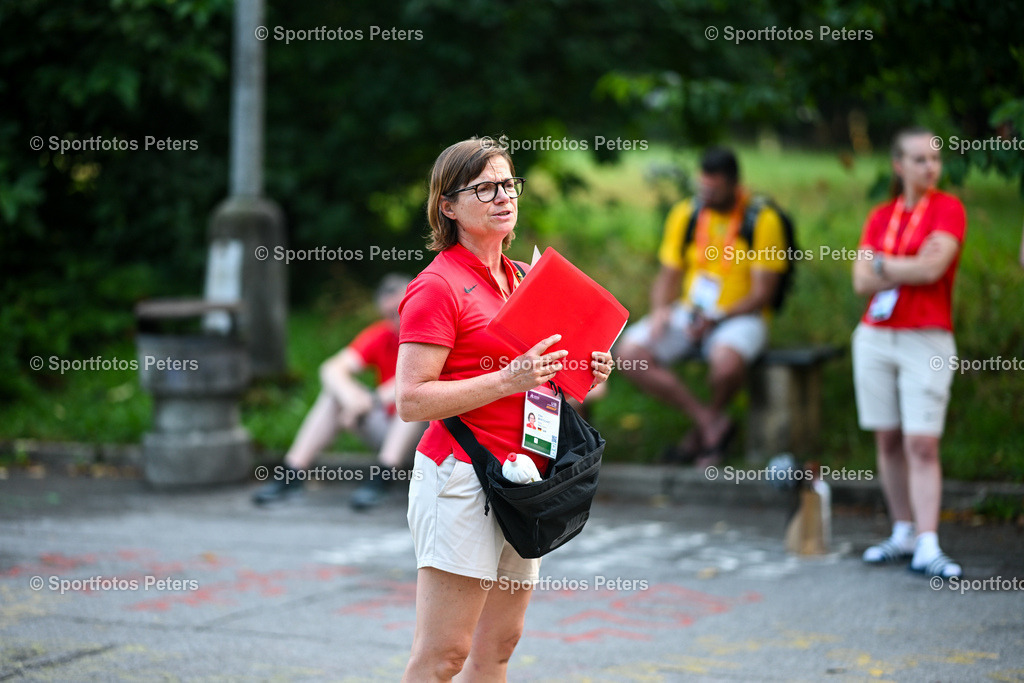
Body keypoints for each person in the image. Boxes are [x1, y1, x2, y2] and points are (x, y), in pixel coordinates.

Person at [396, 138, 613, 681]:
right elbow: (410, 399)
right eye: (484, 188)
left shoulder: (525, 278)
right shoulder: (437, 287)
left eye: (509, 184)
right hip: (461, 478)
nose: (503, 197)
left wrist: (591, 372)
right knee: (444, 654)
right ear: (448, 206)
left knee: (498, 649)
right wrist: (505, 379)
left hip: (525, 476)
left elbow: (559, 388)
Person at [616, 147, 787, 468]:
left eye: (714, 189)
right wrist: (660, 310)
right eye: (702, 187)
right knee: (629, 355)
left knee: (725, 365)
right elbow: (668, 275)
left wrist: (717, 317)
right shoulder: (688, 213)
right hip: (692, 311)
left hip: (742, 316)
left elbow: (763, 293)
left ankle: (701, 433)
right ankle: (709, 423)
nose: (706, 194)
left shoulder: (763, 219)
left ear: (734, 184)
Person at [852, 126, 967, 579]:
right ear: (898, 165)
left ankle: (928, 541)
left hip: (927, 336)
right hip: (876, 334)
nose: (930, 167)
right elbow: (861, 282)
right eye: (919, 159)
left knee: (922, 441)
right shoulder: (881, 215)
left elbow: (934, 268)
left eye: (935, 158)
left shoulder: (948, 208)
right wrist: (907, 265)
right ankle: (902, 530)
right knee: (887, 438)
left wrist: (883, 263)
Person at [252, 274, 427, 510]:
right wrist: (352, 398)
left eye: (401, 311)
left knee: (412, 403)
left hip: (427, 434)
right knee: (333, 395)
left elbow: (417, 379)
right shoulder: (382, 334)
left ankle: (383, 477)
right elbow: (331, 369)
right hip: (387, 425)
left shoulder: (430, 330)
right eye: (389, 315)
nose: (396, 320)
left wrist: (371, 400)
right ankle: (292, 473)